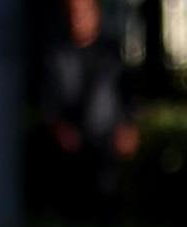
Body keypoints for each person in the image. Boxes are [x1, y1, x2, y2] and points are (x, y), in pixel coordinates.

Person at [41, 0, 139, 205]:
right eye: (74, 13)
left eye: (85, 13)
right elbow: (50, 99)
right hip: (71, 146)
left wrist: (128, 126)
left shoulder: (111, 52)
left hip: (107, 141)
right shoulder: (57, 53)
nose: (79, 19)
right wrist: (60, 128)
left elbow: (127, 95)